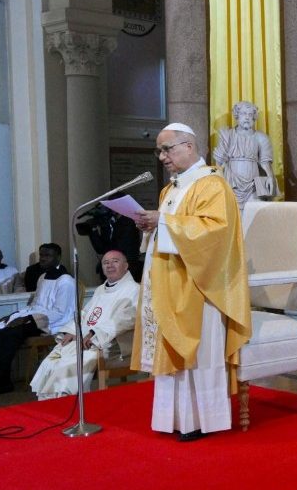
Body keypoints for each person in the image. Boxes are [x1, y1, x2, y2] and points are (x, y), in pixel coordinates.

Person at [133, 123, 251, 442]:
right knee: (171, 346)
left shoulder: (213, 185)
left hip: (201, 285)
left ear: (188, 146)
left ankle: (202, 419)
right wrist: (151, 225)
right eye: (159, 151)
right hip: (170, 279)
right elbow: (169, 229)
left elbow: (217, 233)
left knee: (200, 352)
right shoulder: (170, 189)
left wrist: (165, 222)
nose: (162, 157)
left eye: (167, 149)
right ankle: (175, 419)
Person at [0, 243, 76, 396]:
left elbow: (60, 312)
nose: (43, 259)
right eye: (41, 255)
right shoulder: (43, 277)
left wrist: (27, 319)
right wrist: (14, 315)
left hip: (52, 323)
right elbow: (36, 305)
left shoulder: (66, 281)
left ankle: (4, 381)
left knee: (8, 333)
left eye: (47, 255)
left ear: (58, 258)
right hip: (35, 317)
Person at [30, 250, 140, 400]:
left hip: (113, 344)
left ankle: (66, 401)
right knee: (56, 356)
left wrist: (96, 333)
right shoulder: (102, 289)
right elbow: (85, 314)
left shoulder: (135, 290)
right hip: (89, 340)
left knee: (71, 362)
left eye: (115, 261)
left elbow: (128, 319)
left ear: (126, 266)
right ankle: (51, 400)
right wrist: (72, 330)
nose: (110, 265)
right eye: (105, 263)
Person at [212, 101, 277, 207]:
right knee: (232, 214)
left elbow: (265, 161)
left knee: (254, 213)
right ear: (237, 116)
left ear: (254, 117)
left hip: (253, 184)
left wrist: (270, 176)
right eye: (243, 114)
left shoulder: (261, 137)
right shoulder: (227, 135)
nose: (247, 117)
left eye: (250, 114)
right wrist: (217, 181)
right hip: (231, 182)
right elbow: (219, 162)